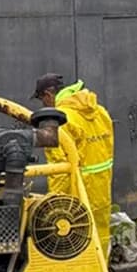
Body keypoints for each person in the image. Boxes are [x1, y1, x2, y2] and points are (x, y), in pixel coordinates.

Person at [33, 73, 115, 253]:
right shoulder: (100, 112)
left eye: (41, 99)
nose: (43, 105)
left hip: (75, 196)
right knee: (100, 237)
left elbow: (58, 169)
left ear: (48, 95)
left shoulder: (60, 121)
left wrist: (54, 206)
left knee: (75, 246)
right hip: (101, 190)